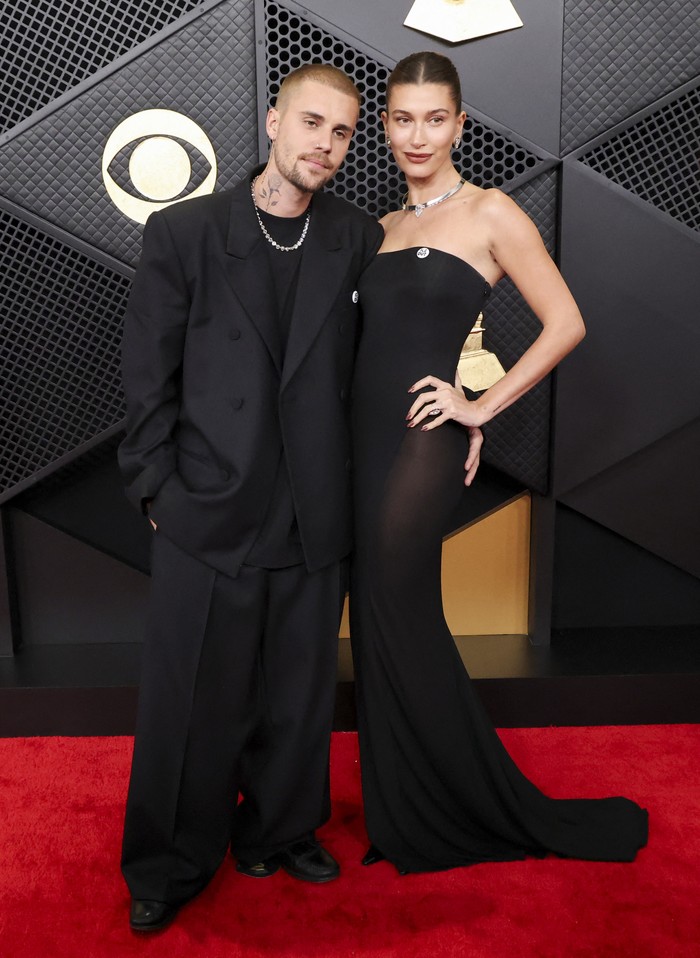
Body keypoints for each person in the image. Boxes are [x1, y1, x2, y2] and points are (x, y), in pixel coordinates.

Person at [117, 63, 425, 932]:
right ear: (272, 122)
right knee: (191, 702)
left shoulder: (357, 238)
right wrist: (156, 489)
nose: (323, 144)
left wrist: (464, 411)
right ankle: (169, 863)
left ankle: (278, 831)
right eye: (310, 123)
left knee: (297, 692)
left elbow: (390, 362)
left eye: (340, 132)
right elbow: (148, 376)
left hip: (316, 506)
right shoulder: (185, 233)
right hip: (206, 505)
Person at [350, 51, 649, 875]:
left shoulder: (490, 213)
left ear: (460, 123)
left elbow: (566, 322)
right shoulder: (379, 228)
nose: (418, 134)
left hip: (423, 439)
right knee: (376, 616)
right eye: (402, 118)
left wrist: (479, 407)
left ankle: (465, 807)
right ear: (384, 126)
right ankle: (406, 808)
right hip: (362, 442)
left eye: (434, 118)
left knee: (394, 606)